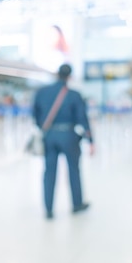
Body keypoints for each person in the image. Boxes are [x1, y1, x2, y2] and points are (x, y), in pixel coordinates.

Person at [33, 63, 95, 220]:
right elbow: (82, 118)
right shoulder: (74, 95)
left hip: (49, 135)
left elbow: (34, 113)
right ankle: (76, 204)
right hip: (69, 135)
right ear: (70, 76)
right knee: (73, 169)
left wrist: (44, 128)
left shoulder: (42, 92)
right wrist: (90, 139)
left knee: (49, 171)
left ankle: (48, 209)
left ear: (56, 74)